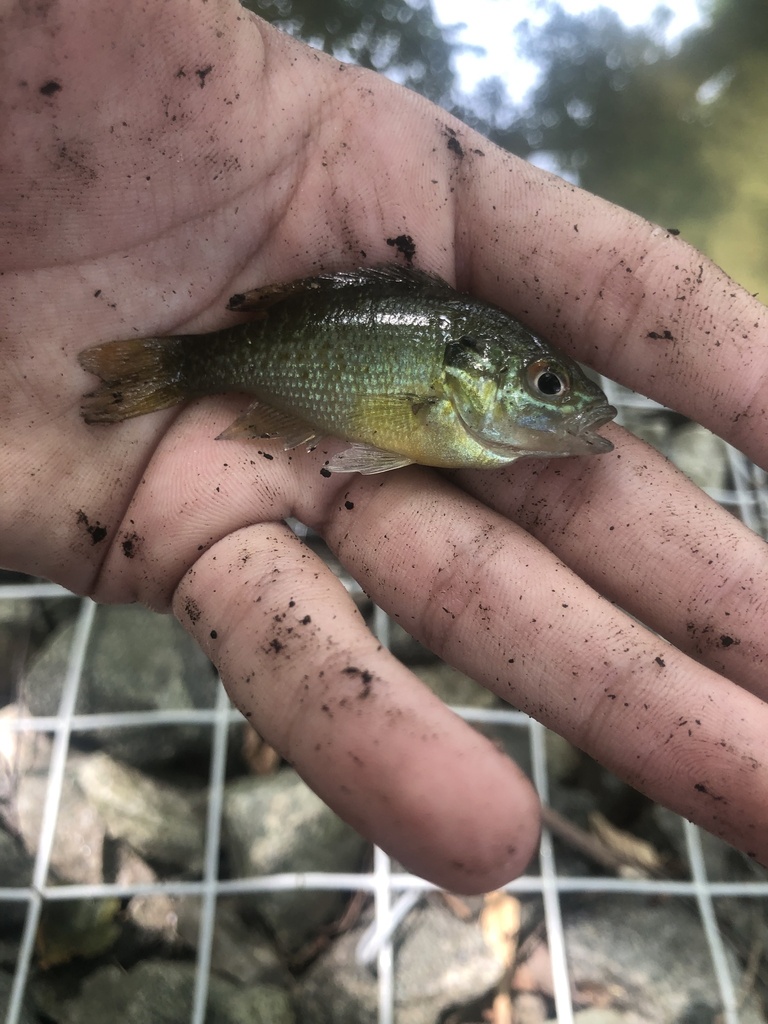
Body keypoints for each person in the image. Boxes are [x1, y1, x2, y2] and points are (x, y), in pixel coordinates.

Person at [1, 0, 766, 894]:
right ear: (470, 374)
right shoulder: (440, 397)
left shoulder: (466, 407)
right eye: (549, 387)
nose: (563, 404)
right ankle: (178, 368)